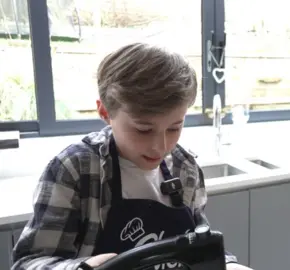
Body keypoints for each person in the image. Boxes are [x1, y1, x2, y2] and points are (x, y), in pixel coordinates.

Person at [11, 43, 252, 270]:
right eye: (143, 130)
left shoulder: (185, 168)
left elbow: (200, 247)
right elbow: (29, 262)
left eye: (174, 127)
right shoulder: (75, 169)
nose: (161, 146)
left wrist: (228, 265)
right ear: (105, 111)